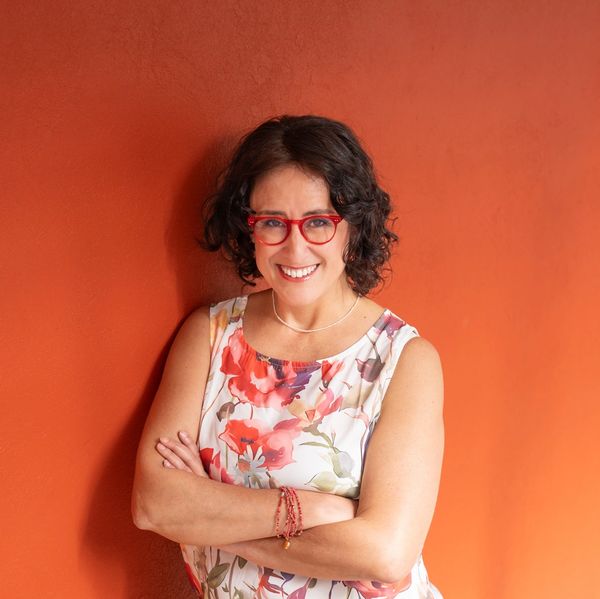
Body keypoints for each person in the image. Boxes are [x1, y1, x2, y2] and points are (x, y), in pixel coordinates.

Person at [132, 114, 445, 599]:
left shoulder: (403, 359)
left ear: (353, 226)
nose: (295, 248)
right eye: (273, 223)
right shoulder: (209, 336)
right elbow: (153, 505)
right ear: (249, 228)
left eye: (318, 222)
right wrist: (309, 511)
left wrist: (207, 522)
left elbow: (385, 553)